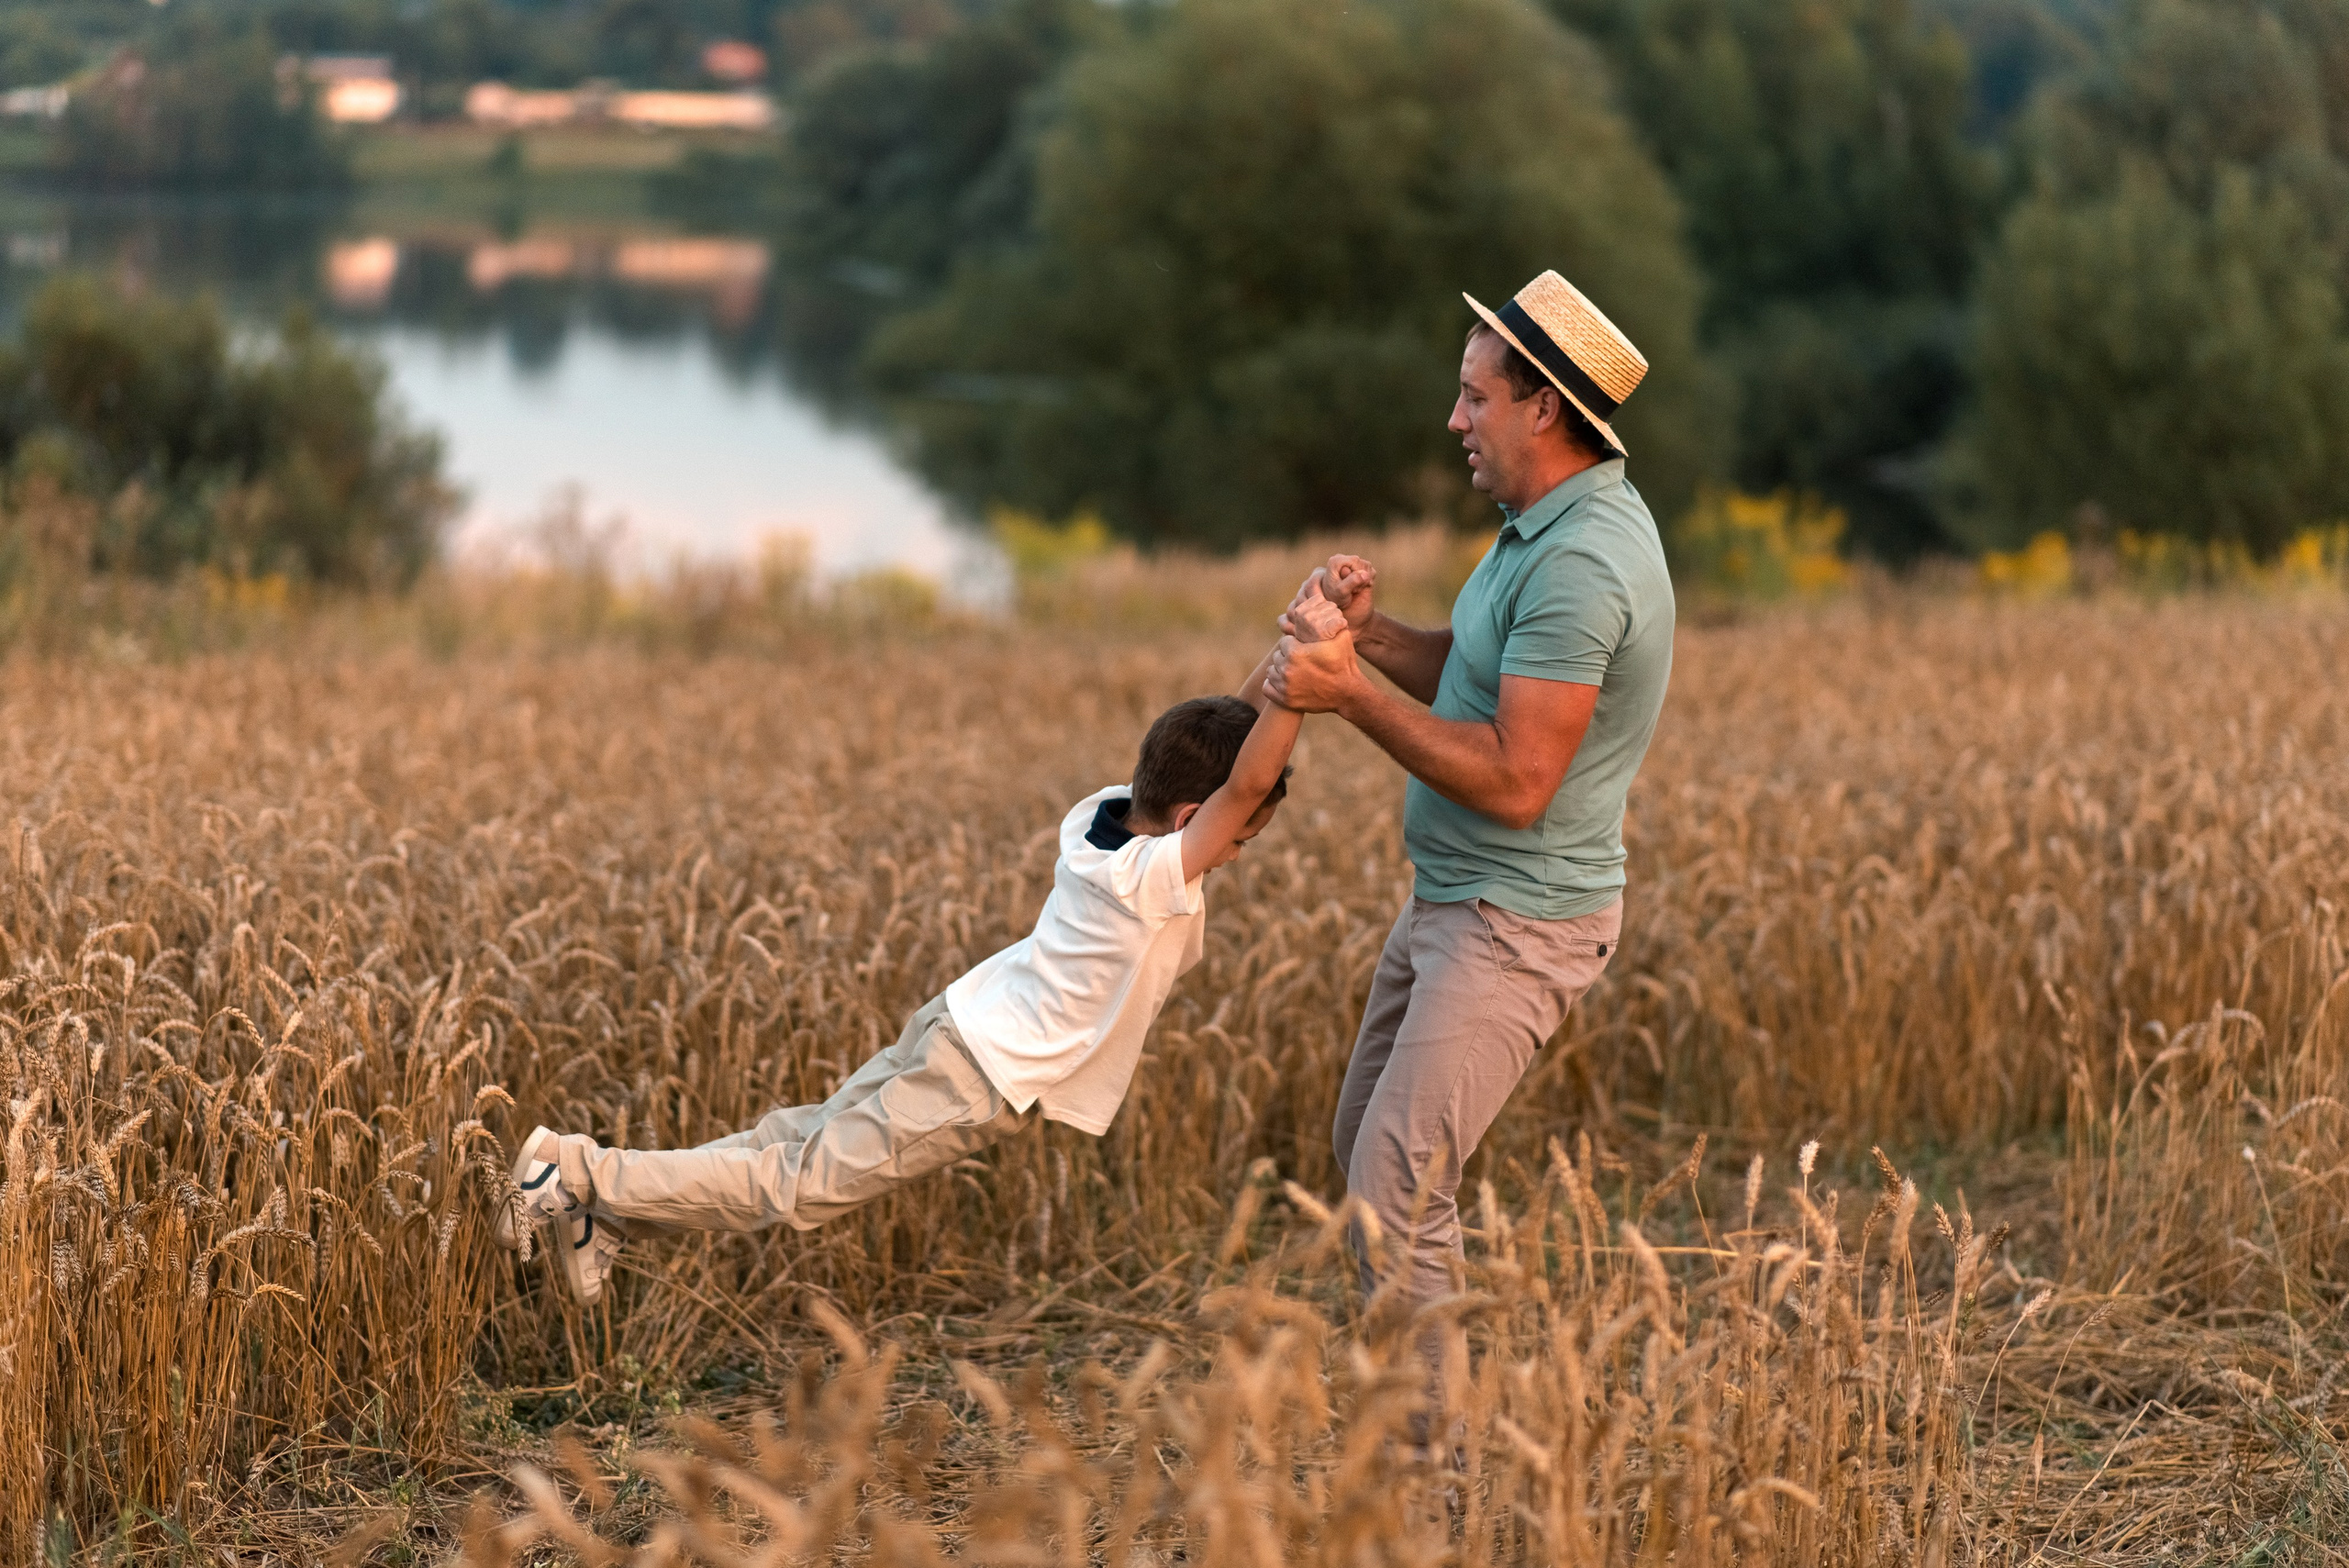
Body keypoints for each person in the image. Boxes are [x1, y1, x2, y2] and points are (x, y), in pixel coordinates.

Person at [497, 586, 1359, 1304]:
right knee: (792, 1185)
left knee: (782, 1142)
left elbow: (1233, 734)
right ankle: (575, 1171)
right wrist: (1307, 668)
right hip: (978, 1072)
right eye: (1238, 836)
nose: (1235, 846)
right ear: (1189, 819)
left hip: (957, 1018)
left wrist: (1302, 629)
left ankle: (596, 1201)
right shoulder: (1151, 879)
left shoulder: (1102, 817)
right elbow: (1247, 777)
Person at [1265, 270, 1675, 1331]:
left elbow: (1517, 778)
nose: (1454, 418)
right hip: (1451, 902)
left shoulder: (1586, 559)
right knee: (1364, 1160)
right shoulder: (1536, 523)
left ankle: (1428, 1487)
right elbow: (1481, 673)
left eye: (1475, 396)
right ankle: (1405, 1450)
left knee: (1393, 1196)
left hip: (1516, 922)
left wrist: (1345, 693)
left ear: (1543, 407)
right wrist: (1368, 636)